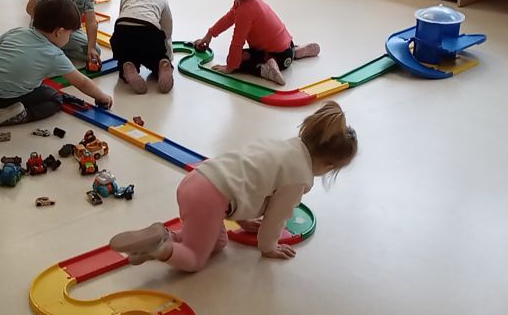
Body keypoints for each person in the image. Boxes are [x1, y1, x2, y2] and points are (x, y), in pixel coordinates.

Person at [108, 102, 357, 270]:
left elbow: (247, 181)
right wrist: (268, 247)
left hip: (199, 179)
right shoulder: (298, 176)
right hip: (210, 198)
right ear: (328, 165)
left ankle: (164, 237)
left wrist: (244, 221)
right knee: (195, 259)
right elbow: (276, 217)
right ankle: (160, 250)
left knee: (217, 243)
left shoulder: (285, 147)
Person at [0, 0, 112, 127]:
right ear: (59, 32)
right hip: (10, 98)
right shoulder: (55, 55)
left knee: (19, 80)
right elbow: (82, 82)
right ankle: (20, 114)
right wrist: (102, 97)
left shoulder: (16, 31)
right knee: (55, 99)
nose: (69, 38)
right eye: (70, 34)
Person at [192, 0, 320, 85]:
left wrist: (230, 66)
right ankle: (295, 52)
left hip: (276, 57)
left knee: (239, 59)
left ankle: (266, 69)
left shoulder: (244, 11)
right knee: (279, 48)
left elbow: (237, 42)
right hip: (288, 47)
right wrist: (209, 35)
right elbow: (229, 18)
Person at [110, 0, 174, 94]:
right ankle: (162, 65)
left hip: (123, 32)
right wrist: (167, 55)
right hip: (149, 32)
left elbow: (122, 19)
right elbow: (167, 30)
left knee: (127, 55)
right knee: (155, 56)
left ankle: (128, 66)